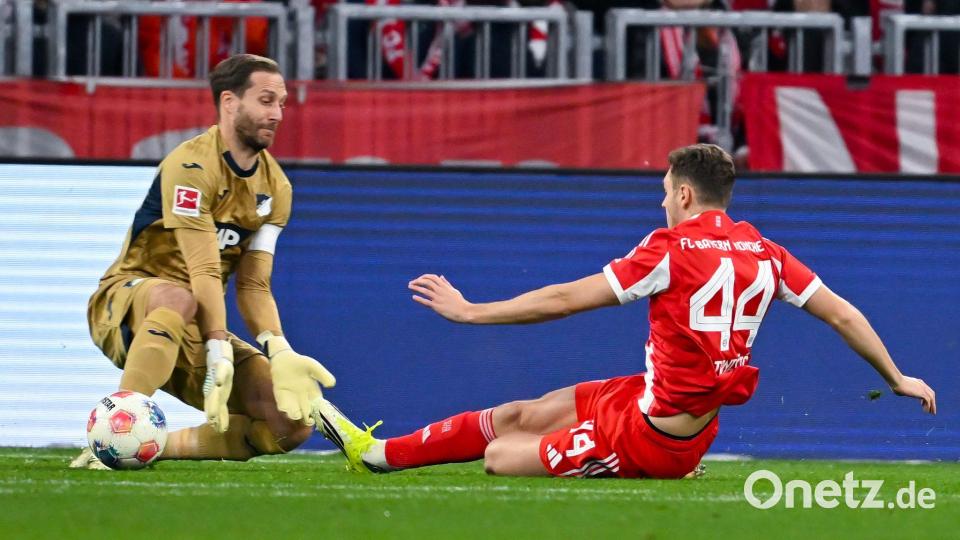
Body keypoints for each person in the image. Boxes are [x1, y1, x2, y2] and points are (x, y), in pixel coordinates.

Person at [313, 143, 936, 479]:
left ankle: (632, 464)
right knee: (520, 413)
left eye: (665, 191)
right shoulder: (766, 252)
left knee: (503, 456)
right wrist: (897, 378)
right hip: (667, 404)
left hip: (653, 438)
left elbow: (562, 300)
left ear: (685, 194)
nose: (662, 201)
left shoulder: (669, 247)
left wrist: (473, 312)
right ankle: (379, 454)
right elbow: (844, 314)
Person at [72, 54, 335, 470]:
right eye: (266, 100)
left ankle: (141, 446)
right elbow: (203, 269)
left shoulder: (276, 188)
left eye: (282, 103)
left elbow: (253, 286)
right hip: (127, 305)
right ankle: (118, 422)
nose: (277, 114)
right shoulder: (191, 165)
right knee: (178, 298)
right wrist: (217, 343)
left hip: (198, 323)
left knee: (289, 424)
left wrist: (278, 347)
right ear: (229, 102)